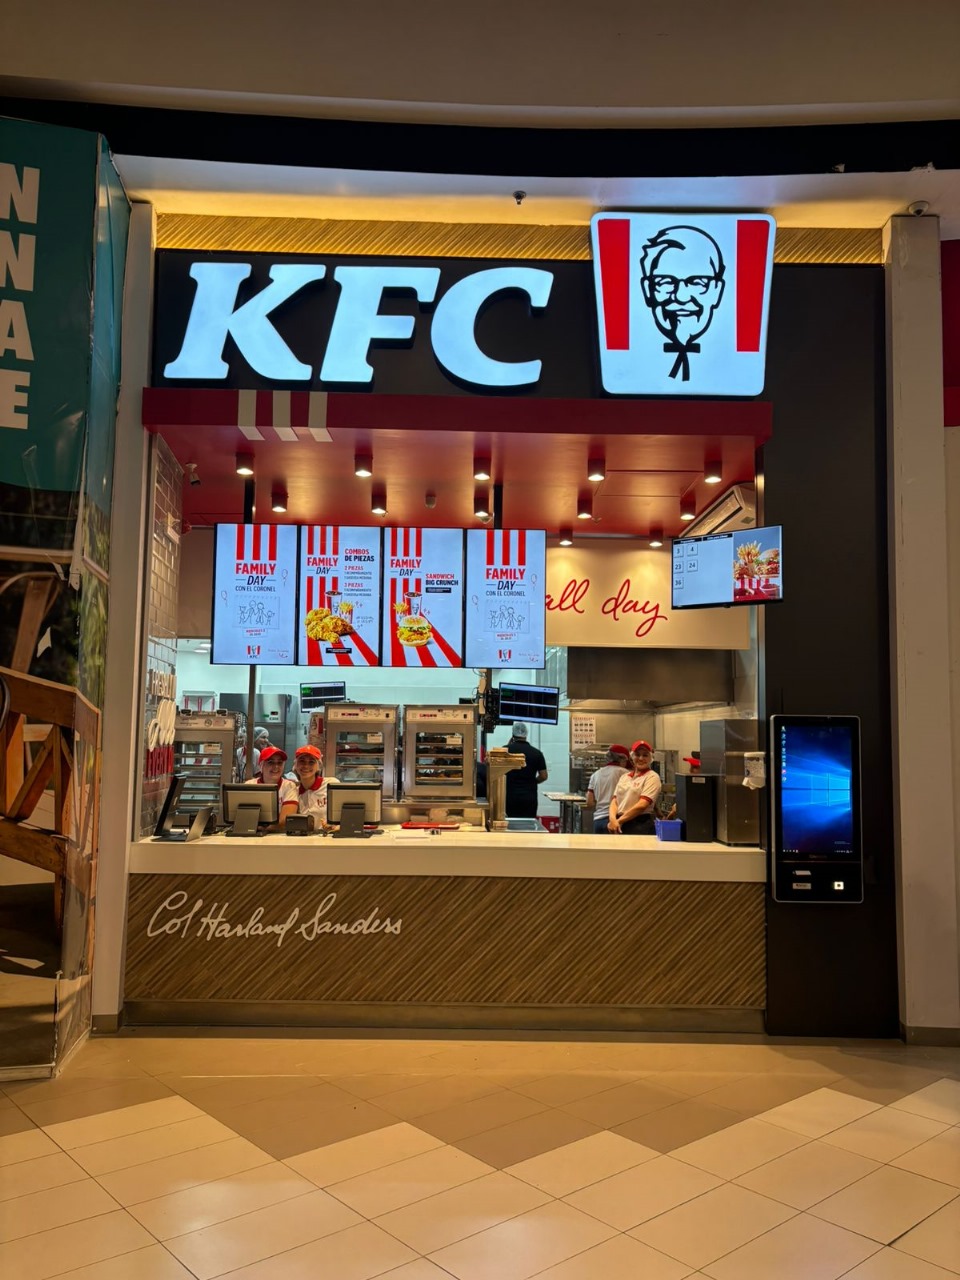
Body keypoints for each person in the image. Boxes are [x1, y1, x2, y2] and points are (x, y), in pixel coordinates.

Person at [608, 739, 662, 835]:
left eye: (645, 755)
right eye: (637, 755)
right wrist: (613, 820)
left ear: (651, 758)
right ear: (632, 757)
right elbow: (615, 801)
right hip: (619, 822)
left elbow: (642, 805)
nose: (641, 758)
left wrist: (619, 821)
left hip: (640, 824)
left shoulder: (652, 777)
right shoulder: (624, 777)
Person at [245, 745, 298, 826]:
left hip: (279, 834)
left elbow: (286, 820)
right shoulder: (249, 785)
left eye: (279, 763)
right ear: (261, 765)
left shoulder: (289, 786)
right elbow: (244, 816)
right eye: (270, 762)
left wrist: (262, 827)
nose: (276, 767)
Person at [504, 721, 548, 818]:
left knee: (511, 823)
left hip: (510, 796)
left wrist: (508, 746)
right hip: (529, 796)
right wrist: (532, 782)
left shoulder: (505, 751)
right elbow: (544, 776)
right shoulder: (537, 753)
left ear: (513, 734)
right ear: (526, 734)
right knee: (529, 823)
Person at [292, 743, 339, 826]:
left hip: (329, 834)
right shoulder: (294, 792)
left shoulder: (331, 784)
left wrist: (337, 826)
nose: (306, 766)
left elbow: (344, 813)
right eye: (302, 761)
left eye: (311, 762)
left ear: (318, 766)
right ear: (295, 765)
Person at [586, 744, 630, 834]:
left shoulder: (595, 774)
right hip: (615, 820)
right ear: (622, 759)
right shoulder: (625, 774)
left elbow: (589, 802)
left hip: (598, 820)